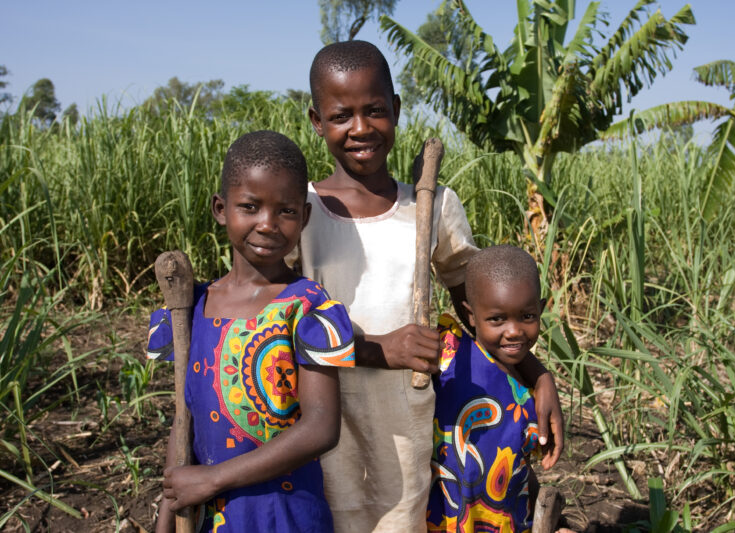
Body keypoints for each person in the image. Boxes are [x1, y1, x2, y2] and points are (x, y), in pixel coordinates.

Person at [301, 40, 564, 531]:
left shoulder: (432, 208)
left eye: (375, 110)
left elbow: (479, 312)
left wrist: (537, 374)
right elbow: (282, 326)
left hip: (409, 430)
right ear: (317, 121)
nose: (361, 128)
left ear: (396, 110)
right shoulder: (300, 213)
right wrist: (380, 349)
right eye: (341, 116)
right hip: (323, 428)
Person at [148, 130, 355, 533]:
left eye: (286, 211)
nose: (268, 224)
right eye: (250, 207)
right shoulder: (191, 309)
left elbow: (321, 427)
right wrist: (166, 521)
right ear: (220, 209)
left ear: (304, 217)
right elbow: (183, 420)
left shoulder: (307, 308)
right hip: (209, 518)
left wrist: (213, 479)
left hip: (285, 517)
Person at [428, 245, 571, 532]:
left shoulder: (532, 397)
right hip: (440, 518)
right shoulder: (449, 356)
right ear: (470, 315)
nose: (514, 331)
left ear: (541, 309)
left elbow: (522, 471)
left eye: (527, 316)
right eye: (497, 319)